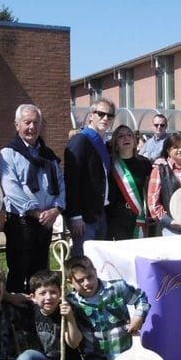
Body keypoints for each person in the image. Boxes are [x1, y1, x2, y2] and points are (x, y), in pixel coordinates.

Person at [0, 104, 65, 293]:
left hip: (46, 222)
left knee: (40, 274)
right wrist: (36, 212)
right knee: (18, 273)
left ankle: (37, 316)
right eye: (27, 122)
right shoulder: (8, 153)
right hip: (22, 223)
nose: (32, 127)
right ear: (17, 125)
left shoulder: (49, 155)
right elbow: (10, 188)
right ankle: (16, 318)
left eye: (36, 122)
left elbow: (60, 183)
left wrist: (57, 209)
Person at [65, 255, 149, 360]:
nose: (87, 283)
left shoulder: (117, 288)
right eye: (80, 280)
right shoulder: (71, 302)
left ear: (96, 272)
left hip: (125, 351)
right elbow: (73, 342)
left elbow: (141, 298)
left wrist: (138, 318)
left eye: (90, 277)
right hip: (97, 355)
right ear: (70, 282)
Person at [15, 270, 86, 360]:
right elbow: (5, 298)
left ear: (60, 293)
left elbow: (74, 343)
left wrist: (70, 318)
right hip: (44, 359)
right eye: (42, 293)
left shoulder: (67, 311)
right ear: (33, 297)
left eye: (53, 292)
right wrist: (10, 297)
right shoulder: (31, 310)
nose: (48, 297)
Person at [64, 98, 115, 256]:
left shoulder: (104, 144)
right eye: (101, 114)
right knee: (84, 263)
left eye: (110, 115)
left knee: (100, 263)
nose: (105, 118)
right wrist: (75, 215)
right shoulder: (80, 140)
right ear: (91, 115)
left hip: (100, 212)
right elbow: (72, 180)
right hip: (84, 217)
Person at [106, 125, 152, 240]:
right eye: (121, 136)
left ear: (135, 141)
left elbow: (149, 190)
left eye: (129, 135)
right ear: (116, 144)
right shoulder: (110, 164)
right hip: (116, 217)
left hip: (138, 215)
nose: (126, 138)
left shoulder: (145, 163)